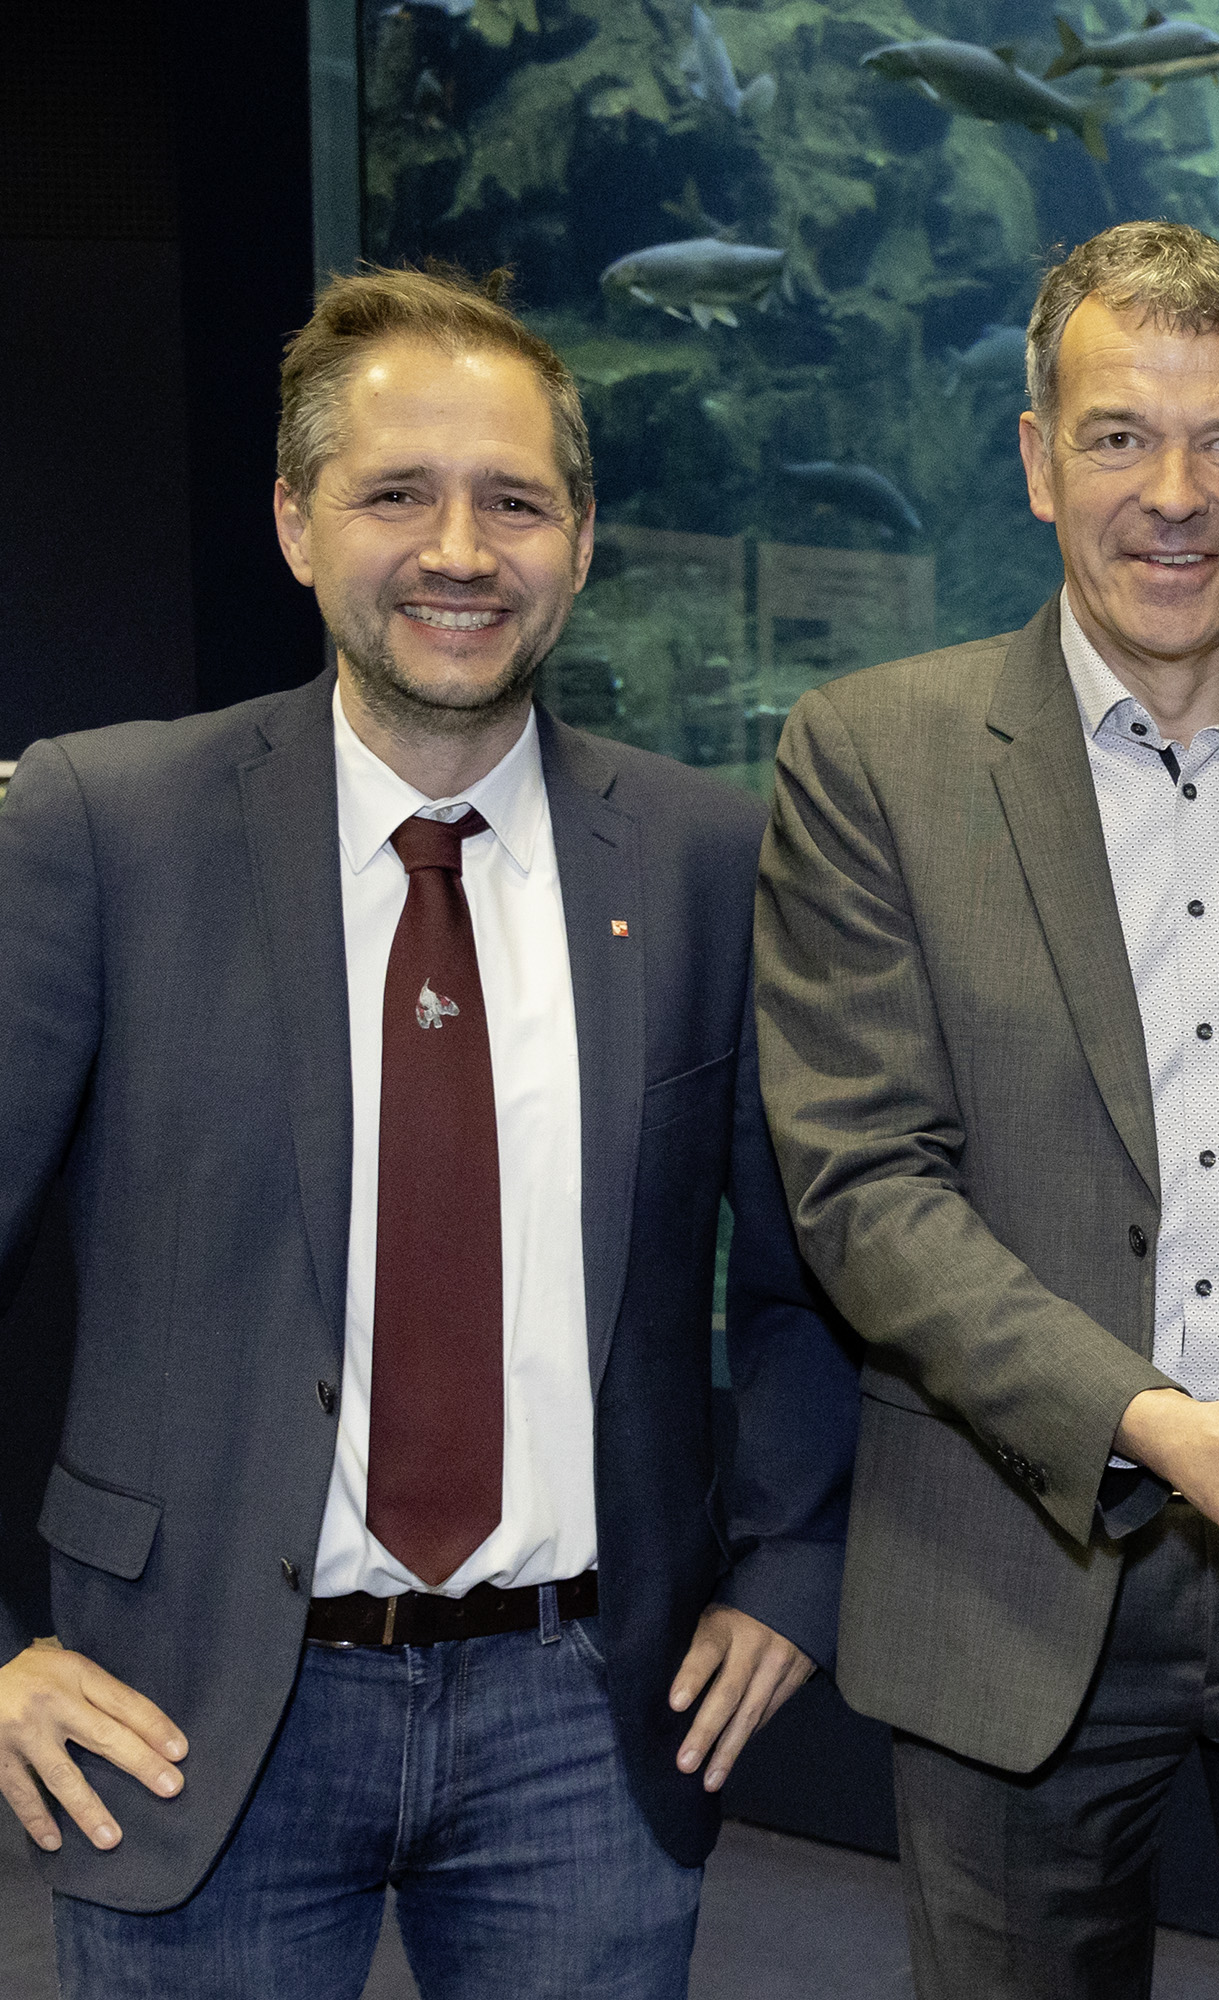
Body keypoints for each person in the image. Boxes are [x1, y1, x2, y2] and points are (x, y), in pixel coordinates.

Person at [0, 265, 856, 1996]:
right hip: (186, 1710)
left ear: (581, 542)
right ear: (293, 522)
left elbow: (803, 1269)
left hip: (586, 1720)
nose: (460, 550)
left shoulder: (706, 856)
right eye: (397, 493)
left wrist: (795, 1567)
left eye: (513, 502)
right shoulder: (105, 827)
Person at [753, 221, 1219, 2000]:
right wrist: (1157, 1427)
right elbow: (864, 1192)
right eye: (1119, 436)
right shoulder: (870, 757)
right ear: (1035, 457)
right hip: (1013, 1563)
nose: (1175, 496)